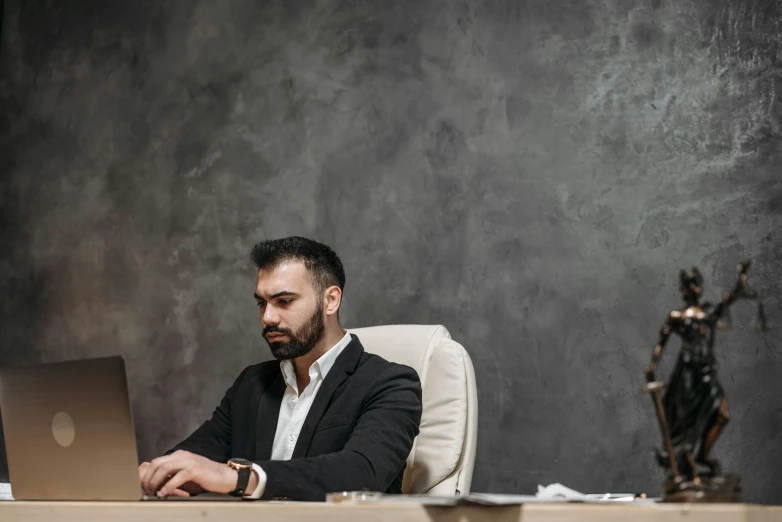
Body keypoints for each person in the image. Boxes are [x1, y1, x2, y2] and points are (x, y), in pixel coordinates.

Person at [139, 237, 422, 501]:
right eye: (262, 303)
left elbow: (362, 472)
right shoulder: (252, 384)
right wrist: (154, 474)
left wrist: (240, 478)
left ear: (331, 300)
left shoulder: (392, 383)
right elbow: (194, 458)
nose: (268, 317)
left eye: (284, 301)